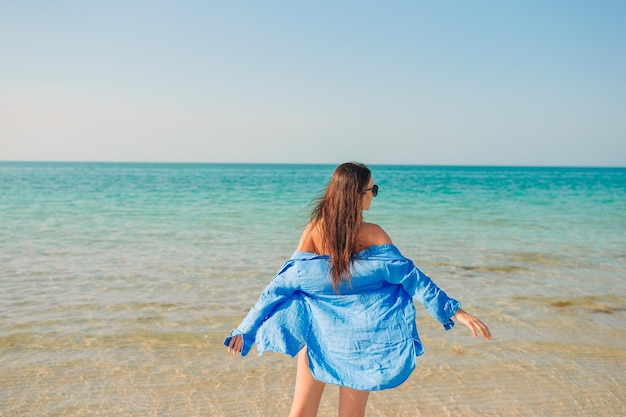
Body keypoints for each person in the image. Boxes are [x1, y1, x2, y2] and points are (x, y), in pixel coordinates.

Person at [224, 162, 491, 417]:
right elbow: (412, 279)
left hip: (320, 335)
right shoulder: (374, 235)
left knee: (302, 412)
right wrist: (454, 312)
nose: (374, 195)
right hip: (360, 341)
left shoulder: (315, 231)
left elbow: (281, 285)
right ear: (355, 195)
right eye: (371, 190)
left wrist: (245, 329)